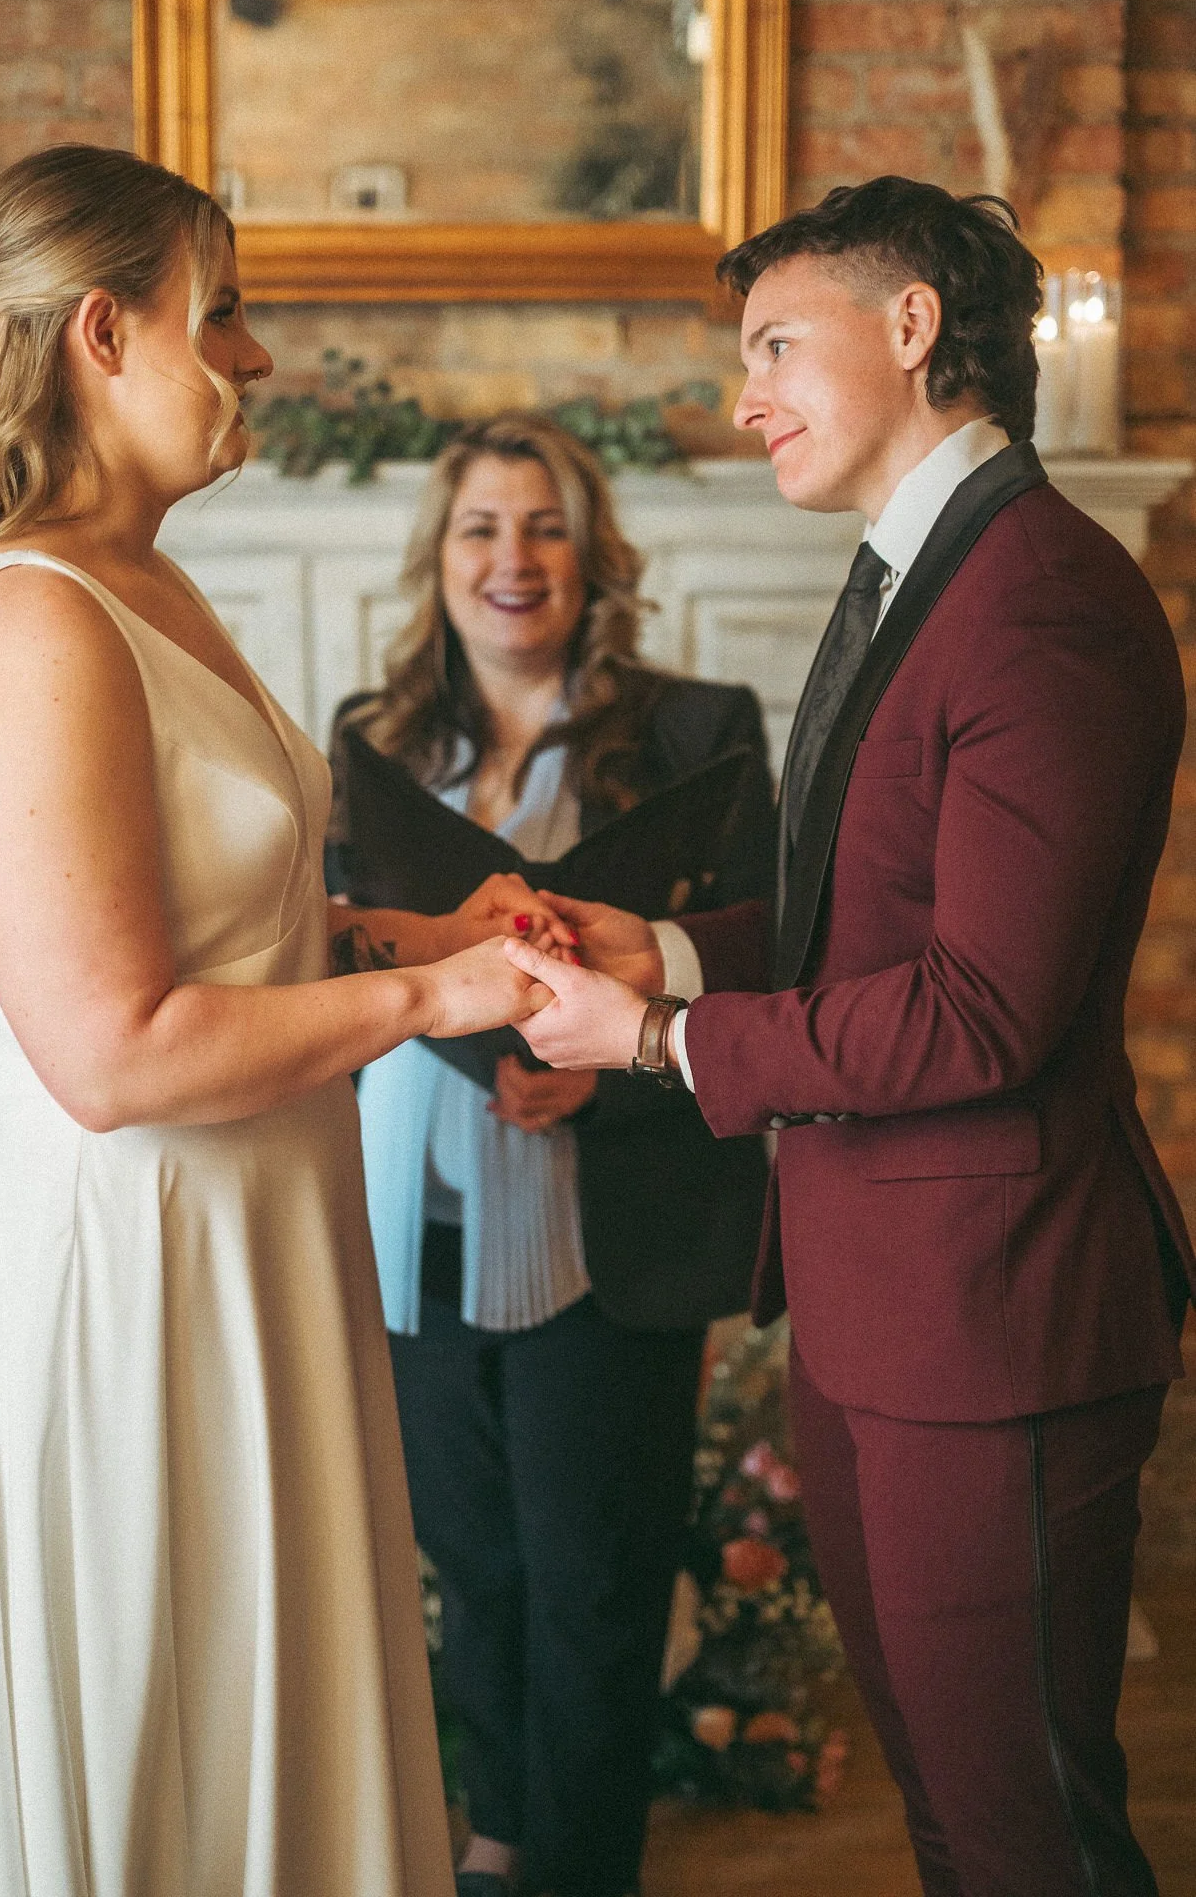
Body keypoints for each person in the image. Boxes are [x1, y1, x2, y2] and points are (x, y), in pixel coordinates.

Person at [0, 145, 560, 1897]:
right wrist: (429, 996)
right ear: (103, 332)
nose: (256, 355)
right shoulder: (29, 618)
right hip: (130, 1264)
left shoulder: (146, 580)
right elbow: (113, 1049)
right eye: (220, 314)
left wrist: (402, 925)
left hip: (256, 1235)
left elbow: (208, 926)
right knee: (160, 1727)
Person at [502, 178, 1196, 1897]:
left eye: (774, 346)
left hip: (1000, 1322)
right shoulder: (914, 575)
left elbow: (984, 1009)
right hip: (875, 1308)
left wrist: (657, 1039)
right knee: (954, 1820)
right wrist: (650, 939)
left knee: (1026, 1829)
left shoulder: (1042, 595)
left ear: (911, 330)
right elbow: (859, 927)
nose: (745, 397)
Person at [326, 414, 776, 1897]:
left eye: (545, 528)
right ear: (437, 561)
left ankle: (584, 1871)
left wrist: (609, 1085)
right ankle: (495, 1842)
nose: (511, 561)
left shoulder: (700, 735)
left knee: (594, 1584)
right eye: (479, 530)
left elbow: (768, 970)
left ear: (596, 558)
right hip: (420, 1229)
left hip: (615, 1231)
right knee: (475, 1570)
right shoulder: (373, 746)